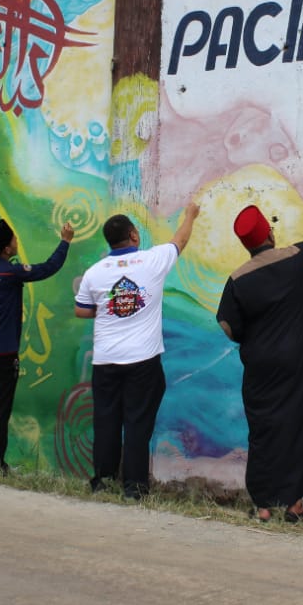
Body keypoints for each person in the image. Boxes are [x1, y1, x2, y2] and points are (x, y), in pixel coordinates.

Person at [216, 196, 303, 522]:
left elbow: (226, 324)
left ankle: (263, 506)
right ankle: (294, 506)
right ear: (270, 234)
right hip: (294, 363)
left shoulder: (238, 279)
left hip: (259, 366)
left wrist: (248, 338)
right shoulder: (293, 258)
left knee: (262, 430)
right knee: (296, 428)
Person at [74, 204, 200, 498]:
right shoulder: (151, 260)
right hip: (142, 361)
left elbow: (82, 311)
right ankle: (134, 486)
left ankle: (103, 480)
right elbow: (179, 241)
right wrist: (190, 216)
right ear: (133, 234)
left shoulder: (95, 272)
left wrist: (111, 309)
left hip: (105, 361)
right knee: (137, 423)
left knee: (106, 421)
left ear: (109, 242)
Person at [0, 218, 75, 472]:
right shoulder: (10, 272)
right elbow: (48, 268)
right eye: (14, 239)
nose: (17, 242)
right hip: (3, 353)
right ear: (7, 249)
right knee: (0, 410)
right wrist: (65, 242)